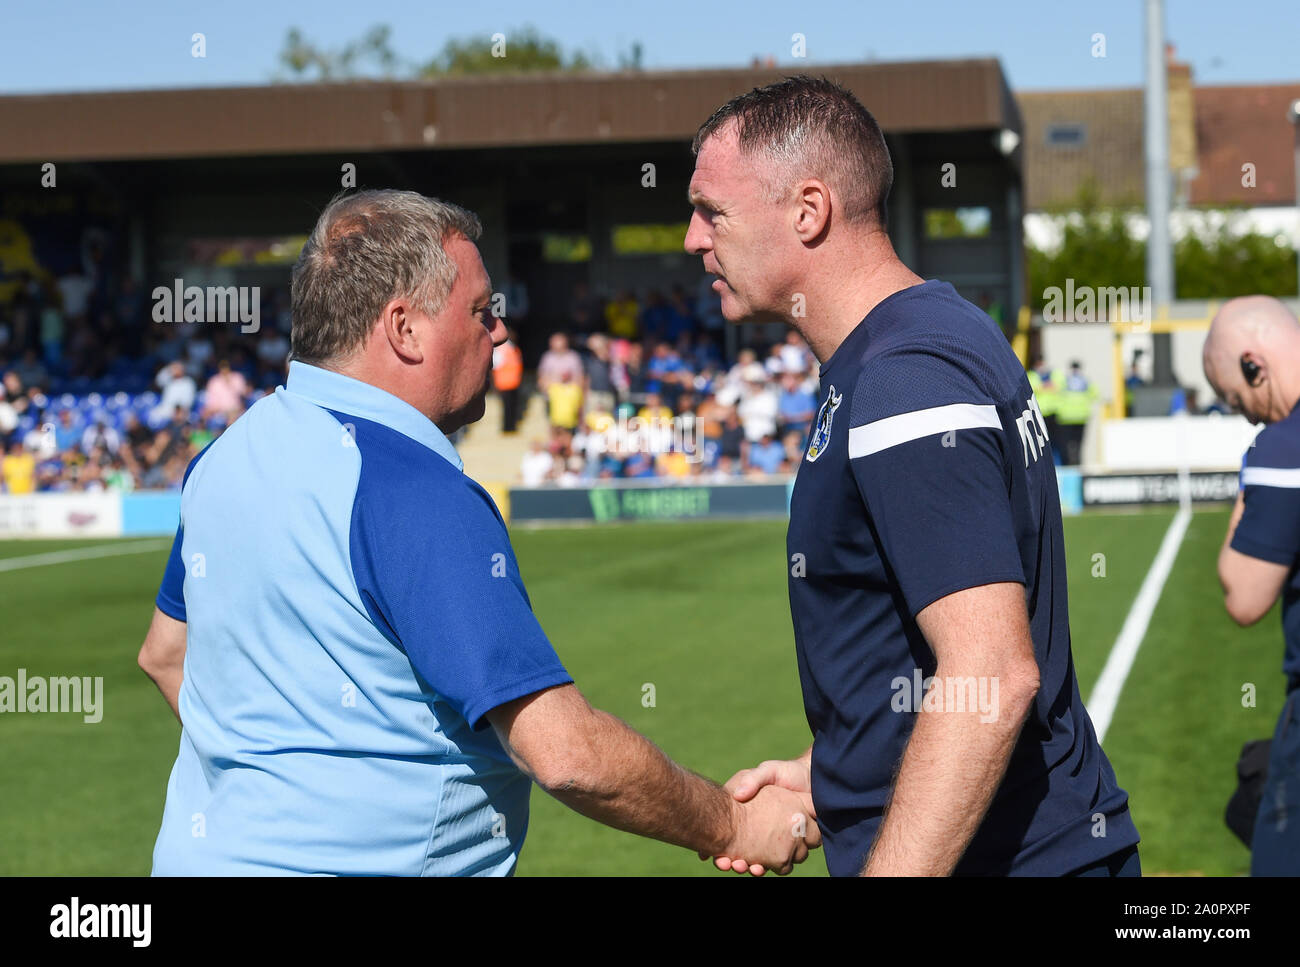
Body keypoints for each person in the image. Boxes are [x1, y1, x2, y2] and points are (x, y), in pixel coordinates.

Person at [137, 188, 816, 877]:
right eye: (481, 311)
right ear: (404, 328)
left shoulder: (221, 458)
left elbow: (166, 655)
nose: (499, 333)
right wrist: (732, 822)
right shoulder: (410, 485)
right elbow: (567, 754)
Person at [685, 76, 1139, 876]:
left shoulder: (904, 378)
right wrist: (840, 777)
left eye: (711, 210)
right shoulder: (934, 328)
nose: (692, 238)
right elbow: (915, 654)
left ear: (809, 210)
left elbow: (990, 675)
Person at [1202, 294, 1300, 875]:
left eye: (1239, 400)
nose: (1247, 416)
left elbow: (1244, 596)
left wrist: (1251, 477)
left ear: (1252, 364)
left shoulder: (1284, 449)